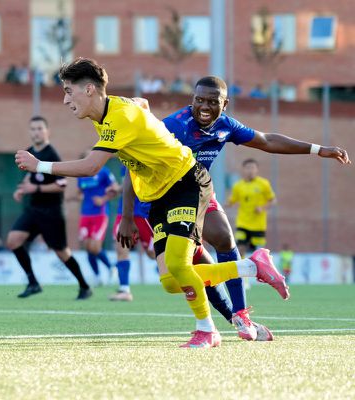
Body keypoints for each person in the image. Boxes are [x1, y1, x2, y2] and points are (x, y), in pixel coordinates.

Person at [15, 57, 293, 348]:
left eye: (68, 91)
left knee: (179, 265)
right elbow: (142, 104)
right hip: (157, 195)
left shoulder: (119, 118)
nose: (65, 100)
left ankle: (208, 330)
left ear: (89, 90)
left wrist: (39, 165)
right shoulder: (108, 112)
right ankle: (252, 267)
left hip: (185, 182)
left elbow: (90, 167)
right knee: (170, 280)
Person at [161, 75, 350, 340]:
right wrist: (129, 214)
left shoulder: (225, 125)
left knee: (224, 240)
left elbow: (267, 140)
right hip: (161, 201)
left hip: (197, 193)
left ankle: (238, 317)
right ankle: (246, 278)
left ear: (225, 104)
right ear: (192, 99)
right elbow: (136, 159)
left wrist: (318, 149)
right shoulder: (173, 126)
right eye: (199, 100)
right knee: (177, 278)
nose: (204, 106)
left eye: (212, 102)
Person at [7, 115, 92, 300]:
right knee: (13, 240)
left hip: (52, 211)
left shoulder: (51, 154)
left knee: (62, 252)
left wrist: (35, 188)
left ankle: (84, 286)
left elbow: (62, 184)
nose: (36, 132)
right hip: (33, 209)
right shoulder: (29, 152)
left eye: (40, 128)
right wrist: (21, 189)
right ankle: (33, 283)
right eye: (33, 129)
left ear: (47, 132)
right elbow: (29, 175)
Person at [108, 166, 156, 302]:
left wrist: (118, 189)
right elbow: (127, 185)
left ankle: (190, 275)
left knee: (153, 254)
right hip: (124, 213)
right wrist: (118, 189)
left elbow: (135, 185)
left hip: (143, 213)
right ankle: (124, 290)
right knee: (121, 247)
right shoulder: (123, 164)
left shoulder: (145, 159)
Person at [76, 157, 117, 286]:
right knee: (87, 247)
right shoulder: (81, 174)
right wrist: (80, 196)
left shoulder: (104, 171)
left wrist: (103, 199)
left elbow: (115, 189)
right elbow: (79, 192)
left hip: (100, 214)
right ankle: (97, 276)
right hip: (85, 214)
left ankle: (111, 267)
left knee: (95, 247)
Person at [227, 159, 276, 257]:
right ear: (243, 169)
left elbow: (272, 200)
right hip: (242, 222)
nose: (250, 170)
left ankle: (257, 266)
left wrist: (262, 208)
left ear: (257, 170)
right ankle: (241, 266)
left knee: (259, 252)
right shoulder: (238, 186)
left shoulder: (264, 183)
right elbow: (231, 201)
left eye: (253, 168)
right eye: (248, 168)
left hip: (258, 224)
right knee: (240, 247)